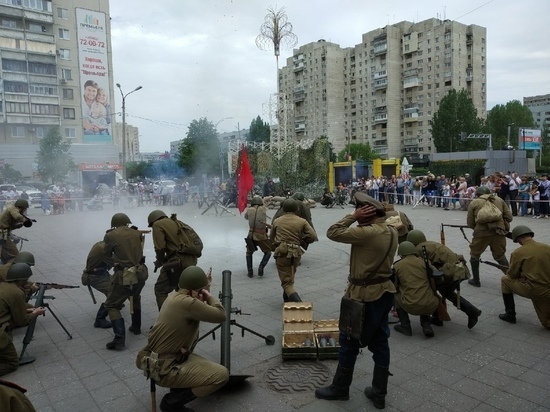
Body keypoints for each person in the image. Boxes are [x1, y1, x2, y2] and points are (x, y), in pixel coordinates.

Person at [315, 192, 397, 409]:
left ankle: (340, 389)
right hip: (384, 292)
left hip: (363, 295)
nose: (357, 213)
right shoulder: (391, 230)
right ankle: (379, 392)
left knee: (349, 340)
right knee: (380, 340)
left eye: (360, 209)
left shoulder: (367, 233)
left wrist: (351, 216)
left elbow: (332, 232)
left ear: (367, 213)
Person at [136, 266, 229, 412]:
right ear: (196, 291)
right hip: (165, 369)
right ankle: (172, 403)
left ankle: (178, 386)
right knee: (221, 375)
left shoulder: (174, 297)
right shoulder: (188, 304)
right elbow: (220, 315)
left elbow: (201, 309)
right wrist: (208, 295)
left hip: (160, 360)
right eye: (201, 290)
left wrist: (204, 287)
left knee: (206, 364)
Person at [407, 230, 482, 329]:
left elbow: (419, 267)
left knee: (427, 290)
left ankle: (433, 319)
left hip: (449, 272)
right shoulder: (431, 244)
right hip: (460, 270)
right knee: (446, 292)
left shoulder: (418, 249)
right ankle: (472, 311)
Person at [103, 213, 148, 350]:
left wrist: (116, 262)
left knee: (111, 305)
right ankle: (136, 327)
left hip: (124, 275)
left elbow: (106, 254)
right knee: (135, 297)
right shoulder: (136, 233)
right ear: (127, 222)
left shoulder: (111, 235)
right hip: (140, 273)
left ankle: (119, 339)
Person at [148, 210, 202, 310]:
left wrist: (159, 260)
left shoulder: (157, 224)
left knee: (160, 290)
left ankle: (166, 320)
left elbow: (160, 248)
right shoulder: (177, 222)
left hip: (177, 263)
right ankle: (187, 318)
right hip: (191, 260)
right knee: (183, 290)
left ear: (153, 221)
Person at [499, 225, 550, 329]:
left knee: (505, 280)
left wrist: (516, 273)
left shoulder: (518, 252)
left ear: (518, 238)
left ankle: (510, 315)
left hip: (538, 290)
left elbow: (512, 275)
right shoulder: (546, 247)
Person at [0, 263, 46, 376]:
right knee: (12, 363)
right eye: (26, 279)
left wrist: (26, 310)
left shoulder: (3, 286)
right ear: (22, 280)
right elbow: (22, 321)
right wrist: (35, 313)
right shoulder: (16, 293)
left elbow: (6, 308)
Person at [269, 199, 317, 302]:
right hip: (296, 252)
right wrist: (302, 239)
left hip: (282, 252)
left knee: (286, 283)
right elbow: (312, 236)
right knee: (290, 277)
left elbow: (271, 238)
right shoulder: (302, 221)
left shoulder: (277, 220)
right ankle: (287, 299)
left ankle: (299, 304)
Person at [466, 186, 513, 287]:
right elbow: (509, 217)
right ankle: (511, 280)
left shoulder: (474, 202)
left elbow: (470, 223)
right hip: (499, 232)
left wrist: (478, 228)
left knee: (474, 255)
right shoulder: (499, 200)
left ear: (478, 194)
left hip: (481, 234)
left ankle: (476, 280)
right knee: (500, 256)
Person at [392, 241, 439, 337]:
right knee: (426, 294)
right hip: (430, 304)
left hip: (411, 306)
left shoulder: (397, 266)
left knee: (395, 296)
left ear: (401, 254)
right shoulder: (424, 262)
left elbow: (395, 287)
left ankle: (405, 327)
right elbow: (435, 278)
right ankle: (426, 325)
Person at [81, 241, 114, 329]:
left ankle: (115, 302)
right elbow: (116, 262)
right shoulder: (103, 248)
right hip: (95, 277)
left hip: (102, 274)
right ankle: (100, 319)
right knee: (113, 293)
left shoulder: (104, 244)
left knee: (118, 287)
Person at [244, 196, 272, 278]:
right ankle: (261, 266)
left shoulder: (249, 210)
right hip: (261, 235)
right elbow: (265, 202)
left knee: (249, 253)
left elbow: (246, 217)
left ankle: (250, 272)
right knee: (268, 252)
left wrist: (251, 209)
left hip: (251, 235)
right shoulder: (264, 209)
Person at [0, 199, 32, 264]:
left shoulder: (12, 211)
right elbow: (17, 217)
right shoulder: (13, 209)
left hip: (4, 234)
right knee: (15, 254)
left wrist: (21, 224)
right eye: (25, 209)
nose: (25, 211)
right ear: (22, 208)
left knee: (5, 256)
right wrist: (24, 220)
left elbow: (10, 227)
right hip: (2, 235)